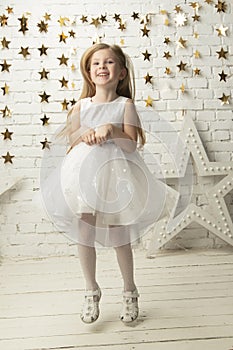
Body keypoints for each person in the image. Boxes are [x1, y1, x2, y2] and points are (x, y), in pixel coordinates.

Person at [41, 43, 178, 324]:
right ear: (89, 73)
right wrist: (87, 133)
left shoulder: (124, 105)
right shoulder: (81, 106)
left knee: (119, 234)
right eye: (96, 64)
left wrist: (112, 129)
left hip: (116, 180)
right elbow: (72, 141)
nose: (102, 67)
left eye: (109, 62)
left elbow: (130, 145)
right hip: (83, 179)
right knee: (84, 229)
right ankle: (91, 289)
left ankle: (129, 289)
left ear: (122, 73)